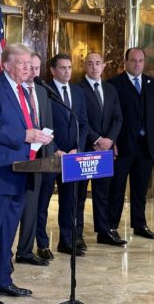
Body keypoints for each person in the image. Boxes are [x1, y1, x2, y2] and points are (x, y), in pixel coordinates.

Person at [0, 43, 54, 304]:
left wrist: (39, 139)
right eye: (23, 63)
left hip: (21, 170)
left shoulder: (27, 91)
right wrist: (25, 135)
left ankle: (2, 280)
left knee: (7, 232)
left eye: (30, 64)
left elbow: (29, 124)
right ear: (7, 65)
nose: (28, 68)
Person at [108, 47, 154, 240]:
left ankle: (139, 224)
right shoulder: (114, 84)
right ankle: (111, 226)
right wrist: (112, 141)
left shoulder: (153, 84)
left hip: (146, 146)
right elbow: (109, 116)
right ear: (125, 62)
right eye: (133, 60)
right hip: (122, 146)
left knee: (140, 188)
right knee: (116, 188)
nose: (137, 64)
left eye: (140, 61)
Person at [76, 52, 125, 247]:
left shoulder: (110, 89)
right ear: (85, 66)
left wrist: (110, 140)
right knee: (79, 194)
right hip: (85, 148)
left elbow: (118, 118)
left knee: (102, 193)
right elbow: (80, 119)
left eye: (98, 63)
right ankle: (76, 235)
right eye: (90, 64)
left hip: (105, 150)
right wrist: (96, 139)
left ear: (103, 66)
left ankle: (103, 232)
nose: (94, 67)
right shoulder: (77, 89)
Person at [47, 53, 89, 256]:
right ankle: (41, 245)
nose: (67, 71)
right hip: (51, 155)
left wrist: (77, 149)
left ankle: (66, 241)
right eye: (62, 68)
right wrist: (55, 148)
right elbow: (41, 123)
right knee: (43, 202)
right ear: (53, 70)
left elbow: (83, 123)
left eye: (69, 67)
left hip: (72, 156)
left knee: (69, 201)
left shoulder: (78, 92)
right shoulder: (45, 91)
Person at [15, 53, 54, 267]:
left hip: (40, 157)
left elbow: (48, 123)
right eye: (30, 67)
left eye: (37, 68)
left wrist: (53, 149)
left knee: (33, 206)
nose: (33, 72)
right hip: (18, 155)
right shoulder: (14, 92)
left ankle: (25, 250)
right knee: (16, 206)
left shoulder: (42, 91)